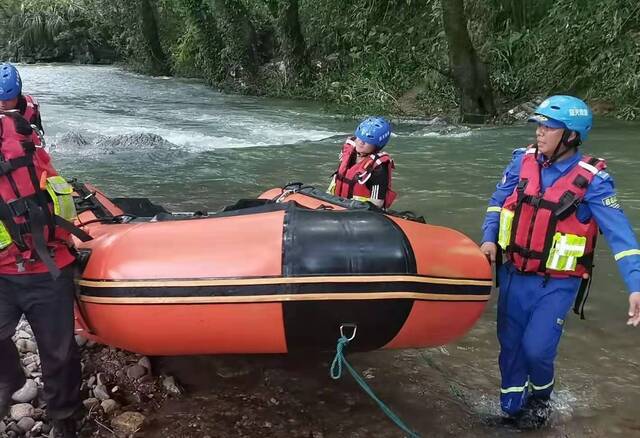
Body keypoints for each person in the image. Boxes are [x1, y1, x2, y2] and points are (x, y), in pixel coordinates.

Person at [479, 95, 640, 428]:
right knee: (509, 349)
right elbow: (497, 202)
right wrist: (488, 238)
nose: (540, 132)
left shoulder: (593, 181)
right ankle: (510, 408)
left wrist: (636, 285)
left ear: (570, 135)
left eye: (548, 127)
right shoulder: (521, 162)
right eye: (539, 125)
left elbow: (620, 237)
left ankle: (540, 400)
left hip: (556, 283)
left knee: (536, 349)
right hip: (513, 274)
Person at [0, 109, 91, 436]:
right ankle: (11, 378)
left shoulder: (23, 139)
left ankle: (64, 417)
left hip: (44, 265)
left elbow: (47, 184)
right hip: (3, 272)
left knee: (59, 353)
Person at [328, 116, 396, 208]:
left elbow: (377, 203)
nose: (360, 142)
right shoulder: (348, 152)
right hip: (336, 204)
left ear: (377, 145)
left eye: (367, 141)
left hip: (358, 212)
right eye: (359, 138)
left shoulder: (379, 167)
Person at [0, 63, 45, 142]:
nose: (2, 103)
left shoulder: (31, 107)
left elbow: (40, 139)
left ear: (18, 95)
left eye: (8, 99)